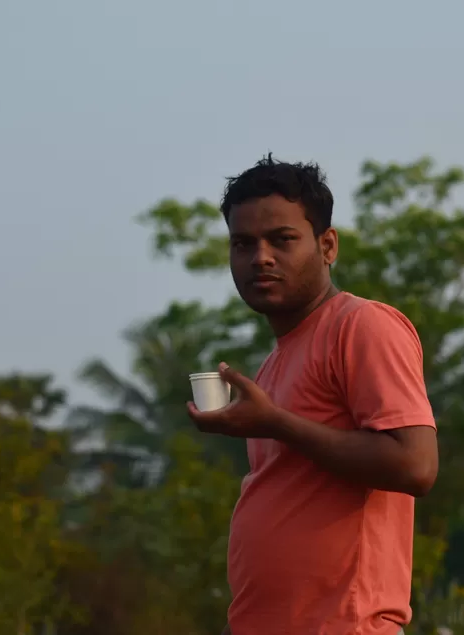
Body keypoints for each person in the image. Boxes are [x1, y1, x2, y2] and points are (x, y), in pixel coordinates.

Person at [187, 154, 439, 635]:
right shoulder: (275, 362)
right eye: (243, 244)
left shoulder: (361, 326)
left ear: (327, 246)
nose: (260, 257)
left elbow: (416, 465)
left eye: (282, 240)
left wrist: (275, 422)